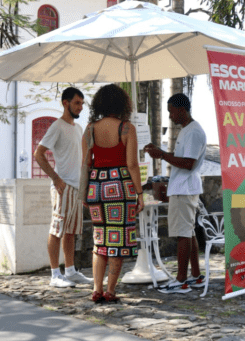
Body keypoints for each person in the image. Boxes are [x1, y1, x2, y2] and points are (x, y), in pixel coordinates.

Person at [82, 84, 144, 303]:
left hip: (97, 187)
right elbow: (132, 164)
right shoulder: (127, 129)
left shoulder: (89, 129)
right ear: (122, 104)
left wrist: (85, 194)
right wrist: (140, 193)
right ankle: (110, 291)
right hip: (120, 188)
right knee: (118, 241)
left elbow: (86, 164)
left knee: (100, 239)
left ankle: (96, 290)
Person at [144, 93, 207, 294]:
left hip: (185, 189)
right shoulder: (187, 130)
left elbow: (188, 163)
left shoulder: (193, 132)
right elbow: (183, 160)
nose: (170, 116)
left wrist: (161, 155)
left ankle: (181, 280)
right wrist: (161, 154)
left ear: (181, 109)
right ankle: (195, 275)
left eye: (171, 111)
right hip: (183, 188)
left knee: (182, 234)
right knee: (188, 232)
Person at [34, 87, 93, 288]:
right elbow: (38, 153)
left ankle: (70, 270)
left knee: (71, 231)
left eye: (82, 103)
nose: (80, 107)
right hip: (63, 186)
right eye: (77, 103)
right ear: (65, 103)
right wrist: (55, 178)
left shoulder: (77, 128)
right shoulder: (57, 126)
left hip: (77, 187)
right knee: (57, 229)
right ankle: (54, 275)